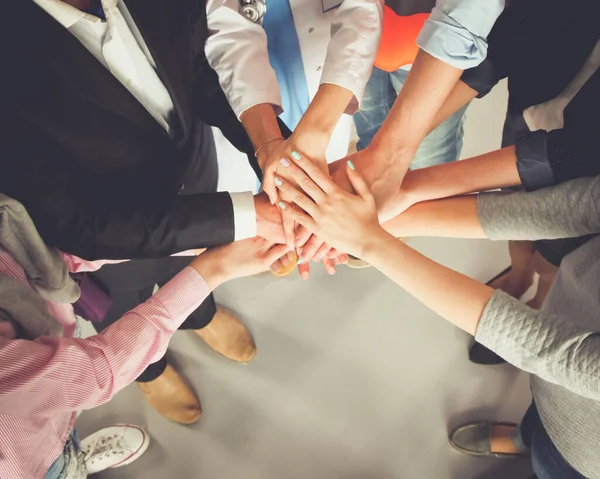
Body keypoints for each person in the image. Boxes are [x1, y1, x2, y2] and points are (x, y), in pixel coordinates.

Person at [2, 0, 287, 424]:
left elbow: (197, 66)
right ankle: (150, 371)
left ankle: (201, 315)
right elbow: (79, 223)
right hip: (108, 247)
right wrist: (246, 217)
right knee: (121, 309)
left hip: (193, 172)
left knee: (191, 273)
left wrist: (270, 150)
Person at [271, 153, 600, 479]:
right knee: (536, 420)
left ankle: (528, 446)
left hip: (584, 454)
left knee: (549, 465)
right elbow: (577, 208)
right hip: (556, 359)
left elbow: (557, 354)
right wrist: (382, 221)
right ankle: (521, 437)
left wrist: (371, 240)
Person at [370, 0, 600, 364]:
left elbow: (578, 156)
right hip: (541, 106)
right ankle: (520, 275)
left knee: (560, 257)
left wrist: (401, 176)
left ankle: (542, 299)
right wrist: (394, 154)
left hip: (588, 169)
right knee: (517, 214)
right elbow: (523, 24)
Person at [0, 193, 289, 478]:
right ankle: (149, 374)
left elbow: (38, 253)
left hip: (50, 342)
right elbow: (90, 374)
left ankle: (199, 317)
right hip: (24, 463)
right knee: (114, 309)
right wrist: (215, 266)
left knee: (61, 424)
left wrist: (213, 229)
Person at [291, 0, 507, 269]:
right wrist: (385, 151)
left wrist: (392, 152)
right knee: (370, 118)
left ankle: (394, 195)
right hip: (354, 30)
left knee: (428, 148)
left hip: (436, 44)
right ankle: (386, 188)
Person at [204, 0, 383, 277]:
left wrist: (315, 134)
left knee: (299, 201)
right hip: (232, 93)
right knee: (248, 203)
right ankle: (284, 230)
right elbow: (226, 22)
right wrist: (267, 146)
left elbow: (362, 9)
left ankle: (290, 232)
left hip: (323, 84)